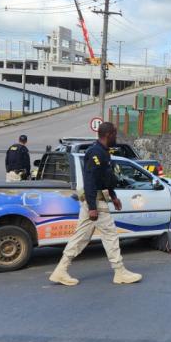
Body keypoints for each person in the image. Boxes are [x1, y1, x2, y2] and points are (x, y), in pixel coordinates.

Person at [48, 122, 142, 287]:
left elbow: (105, 178)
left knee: (80, 238)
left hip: (96, 201)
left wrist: (113, 196)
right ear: (108, 135)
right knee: (110, 235)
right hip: (96, 203)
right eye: (115, 134)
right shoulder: (95, 152)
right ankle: (119, 272)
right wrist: (92, 207)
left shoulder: (103, 152)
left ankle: (60, 270)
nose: (116, 137)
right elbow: (90, 180)